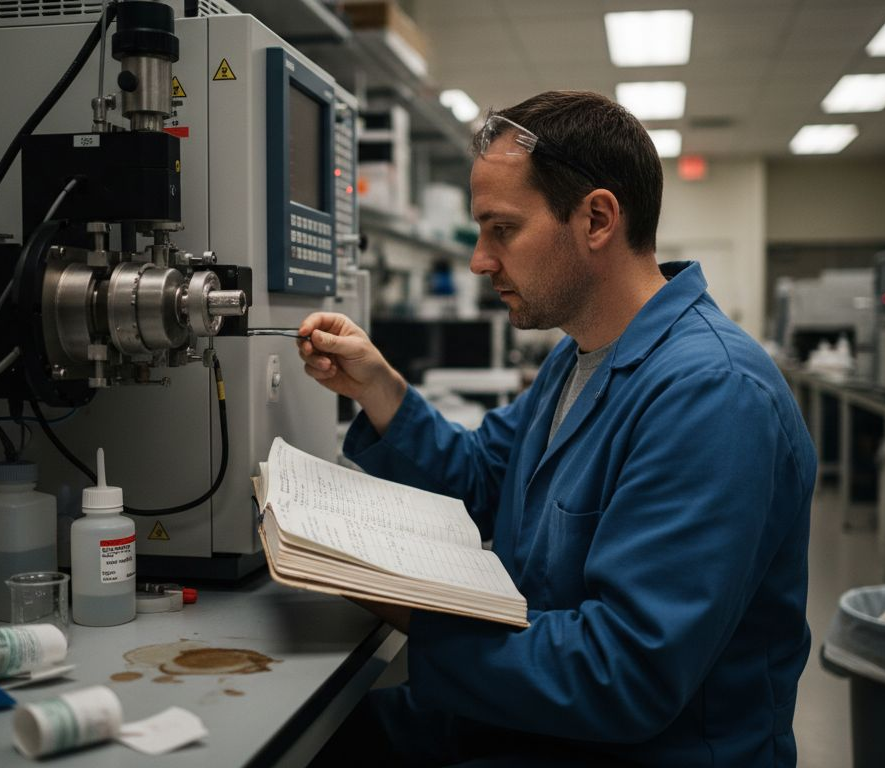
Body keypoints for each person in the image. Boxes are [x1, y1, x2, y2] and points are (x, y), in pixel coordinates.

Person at [297, 91, 816, 767]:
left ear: (596, 219)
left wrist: (412, 610)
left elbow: (624, 674)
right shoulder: (582, 356)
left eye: (502, 229)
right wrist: (378, 388)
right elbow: (487, 478)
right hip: (543, 719)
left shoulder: (713, 396)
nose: (481, 260)